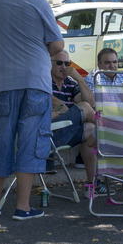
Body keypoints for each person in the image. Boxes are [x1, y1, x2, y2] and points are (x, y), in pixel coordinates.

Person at [0, 0, 64, 220]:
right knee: (30, 141)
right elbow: (57, 45)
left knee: (2, 139)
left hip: (5, 82)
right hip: (36, 83)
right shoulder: (39, 3)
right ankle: (23, 207)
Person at [49, 50, 104, 197]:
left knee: (91, 130)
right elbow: (81, 107)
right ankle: (112, 130)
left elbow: (91, 102)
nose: (64, 66)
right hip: (50, 133)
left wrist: (79, 78)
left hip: (67, 129)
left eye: (67, 63)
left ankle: (92, 185)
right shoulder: (44, 81)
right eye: (59, 63)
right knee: (85, 108)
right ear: (50, 63)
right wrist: (66, 110)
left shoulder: (69, 83)